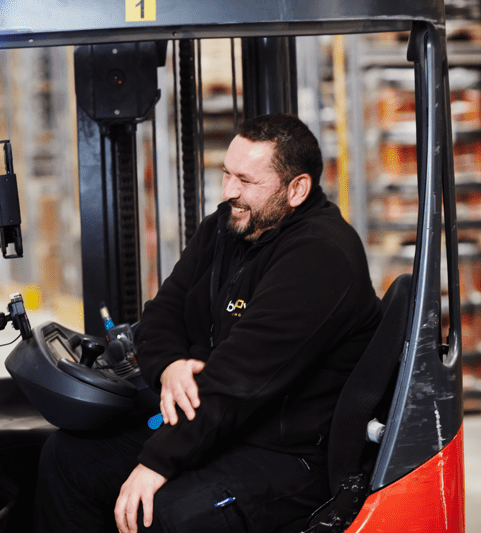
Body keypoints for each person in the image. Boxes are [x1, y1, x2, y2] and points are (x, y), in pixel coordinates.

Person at [34, 113, 382, 533]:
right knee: (67, 458)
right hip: (221, 429)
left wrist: (156, 462)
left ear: (297, 189)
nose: (229, 191)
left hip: (287, 456)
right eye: (227, 174)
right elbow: (162, 313)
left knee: (161, 512)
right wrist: (170, 366)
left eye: (246, 181)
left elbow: (238, 380)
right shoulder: (227, 226)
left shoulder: (320, 257)